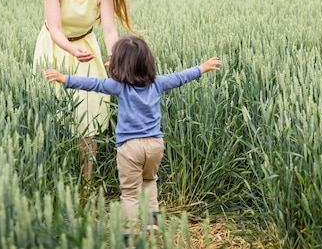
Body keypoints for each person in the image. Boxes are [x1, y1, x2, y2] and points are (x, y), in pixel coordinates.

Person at [44, 35, 221, 235]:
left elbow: (93, 84)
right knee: (149, 181)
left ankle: (128, 232)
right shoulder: (158, 83)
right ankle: (152, 223)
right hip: (155, 145)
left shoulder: (119, 86)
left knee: (129, 194)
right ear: (148, 62)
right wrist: (202, 68)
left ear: (119, 66)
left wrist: (64, 78)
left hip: (130, 147)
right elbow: (180, 77)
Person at [33, 0, 136, 182]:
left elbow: (110, 31)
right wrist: (71, 50)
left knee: (88, 116)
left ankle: (87, 181)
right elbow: (55, 28)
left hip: (87, 52)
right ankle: (54, 174)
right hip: (54, 49)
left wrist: (115, 55)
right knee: (51, 110)